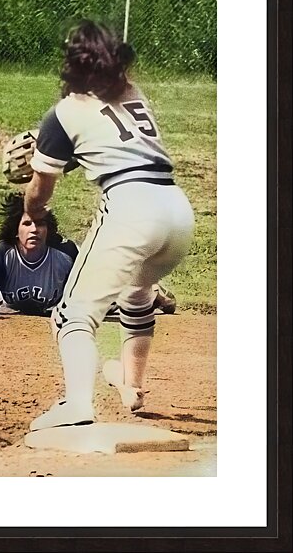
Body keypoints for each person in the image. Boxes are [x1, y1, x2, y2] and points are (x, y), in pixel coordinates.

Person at [24, 21, 194, 429]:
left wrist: (34, 208)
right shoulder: (135, 94)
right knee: (137, 291)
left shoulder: (62, 113)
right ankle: (132, 386)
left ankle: (77, 405)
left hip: (131, 209)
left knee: (71, 315)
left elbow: (40, 191)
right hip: (177, 213)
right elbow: (109, 139)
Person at [0, 194, 78, 317]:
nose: (34, 229)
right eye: (27, 223)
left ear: (48, 229)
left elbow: (84, 295)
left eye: (40, 224)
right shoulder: (4, 251)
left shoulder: (66, 253)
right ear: (15, 230)